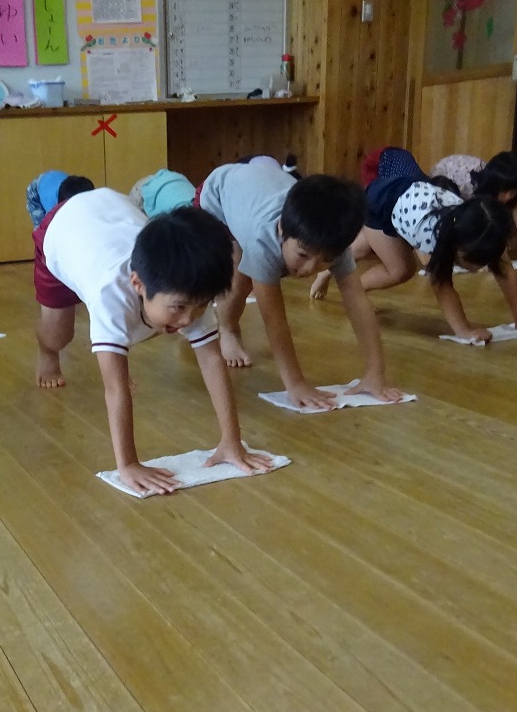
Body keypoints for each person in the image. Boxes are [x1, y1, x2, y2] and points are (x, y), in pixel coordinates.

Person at [32, 187, 272, 495]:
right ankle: (46, 352)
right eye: (179, 307)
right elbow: (115, 389)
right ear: (138, 283)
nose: (188, 319)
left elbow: (213, 360)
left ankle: (126, 339)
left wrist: (232, 440)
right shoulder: (111, 294)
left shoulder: (189, 288)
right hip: (62, 230)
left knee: (150, 325)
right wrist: (128, 464)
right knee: (59, 335)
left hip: (108, 215)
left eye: (200, 306)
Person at [193, 161, 402, 407]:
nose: (310, 269)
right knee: (240, 275)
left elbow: (358, 301)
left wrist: (375, 372)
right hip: (218, 196)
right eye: (302, 255)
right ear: (282, 229)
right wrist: (295, 383)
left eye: (325, 261)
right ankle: (228, 330)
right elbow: (274, 320)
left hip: (257, 188)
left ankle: (229, 326)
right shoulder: (263, 241)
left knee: (247, 267)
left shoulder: (332, 243)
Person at [333, 175, 517, 343]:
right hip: (380, 203)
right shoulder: (434, 237)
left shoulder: (484, 230)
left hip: (408, 196)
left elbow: (506, 272)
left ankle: (330, 266)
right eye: (473, 261)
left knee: (359, 249)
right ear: (457, 244)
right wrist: (464, 329)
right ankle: (353, 293)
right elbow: (442, 287)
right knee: (400, 270)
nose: (478, 268)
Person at [26, 171, 94, 227]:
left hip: (55, 180)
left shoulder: (89, 197)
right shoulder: (52, 208)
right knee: (42, 228)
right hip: (35, 190)